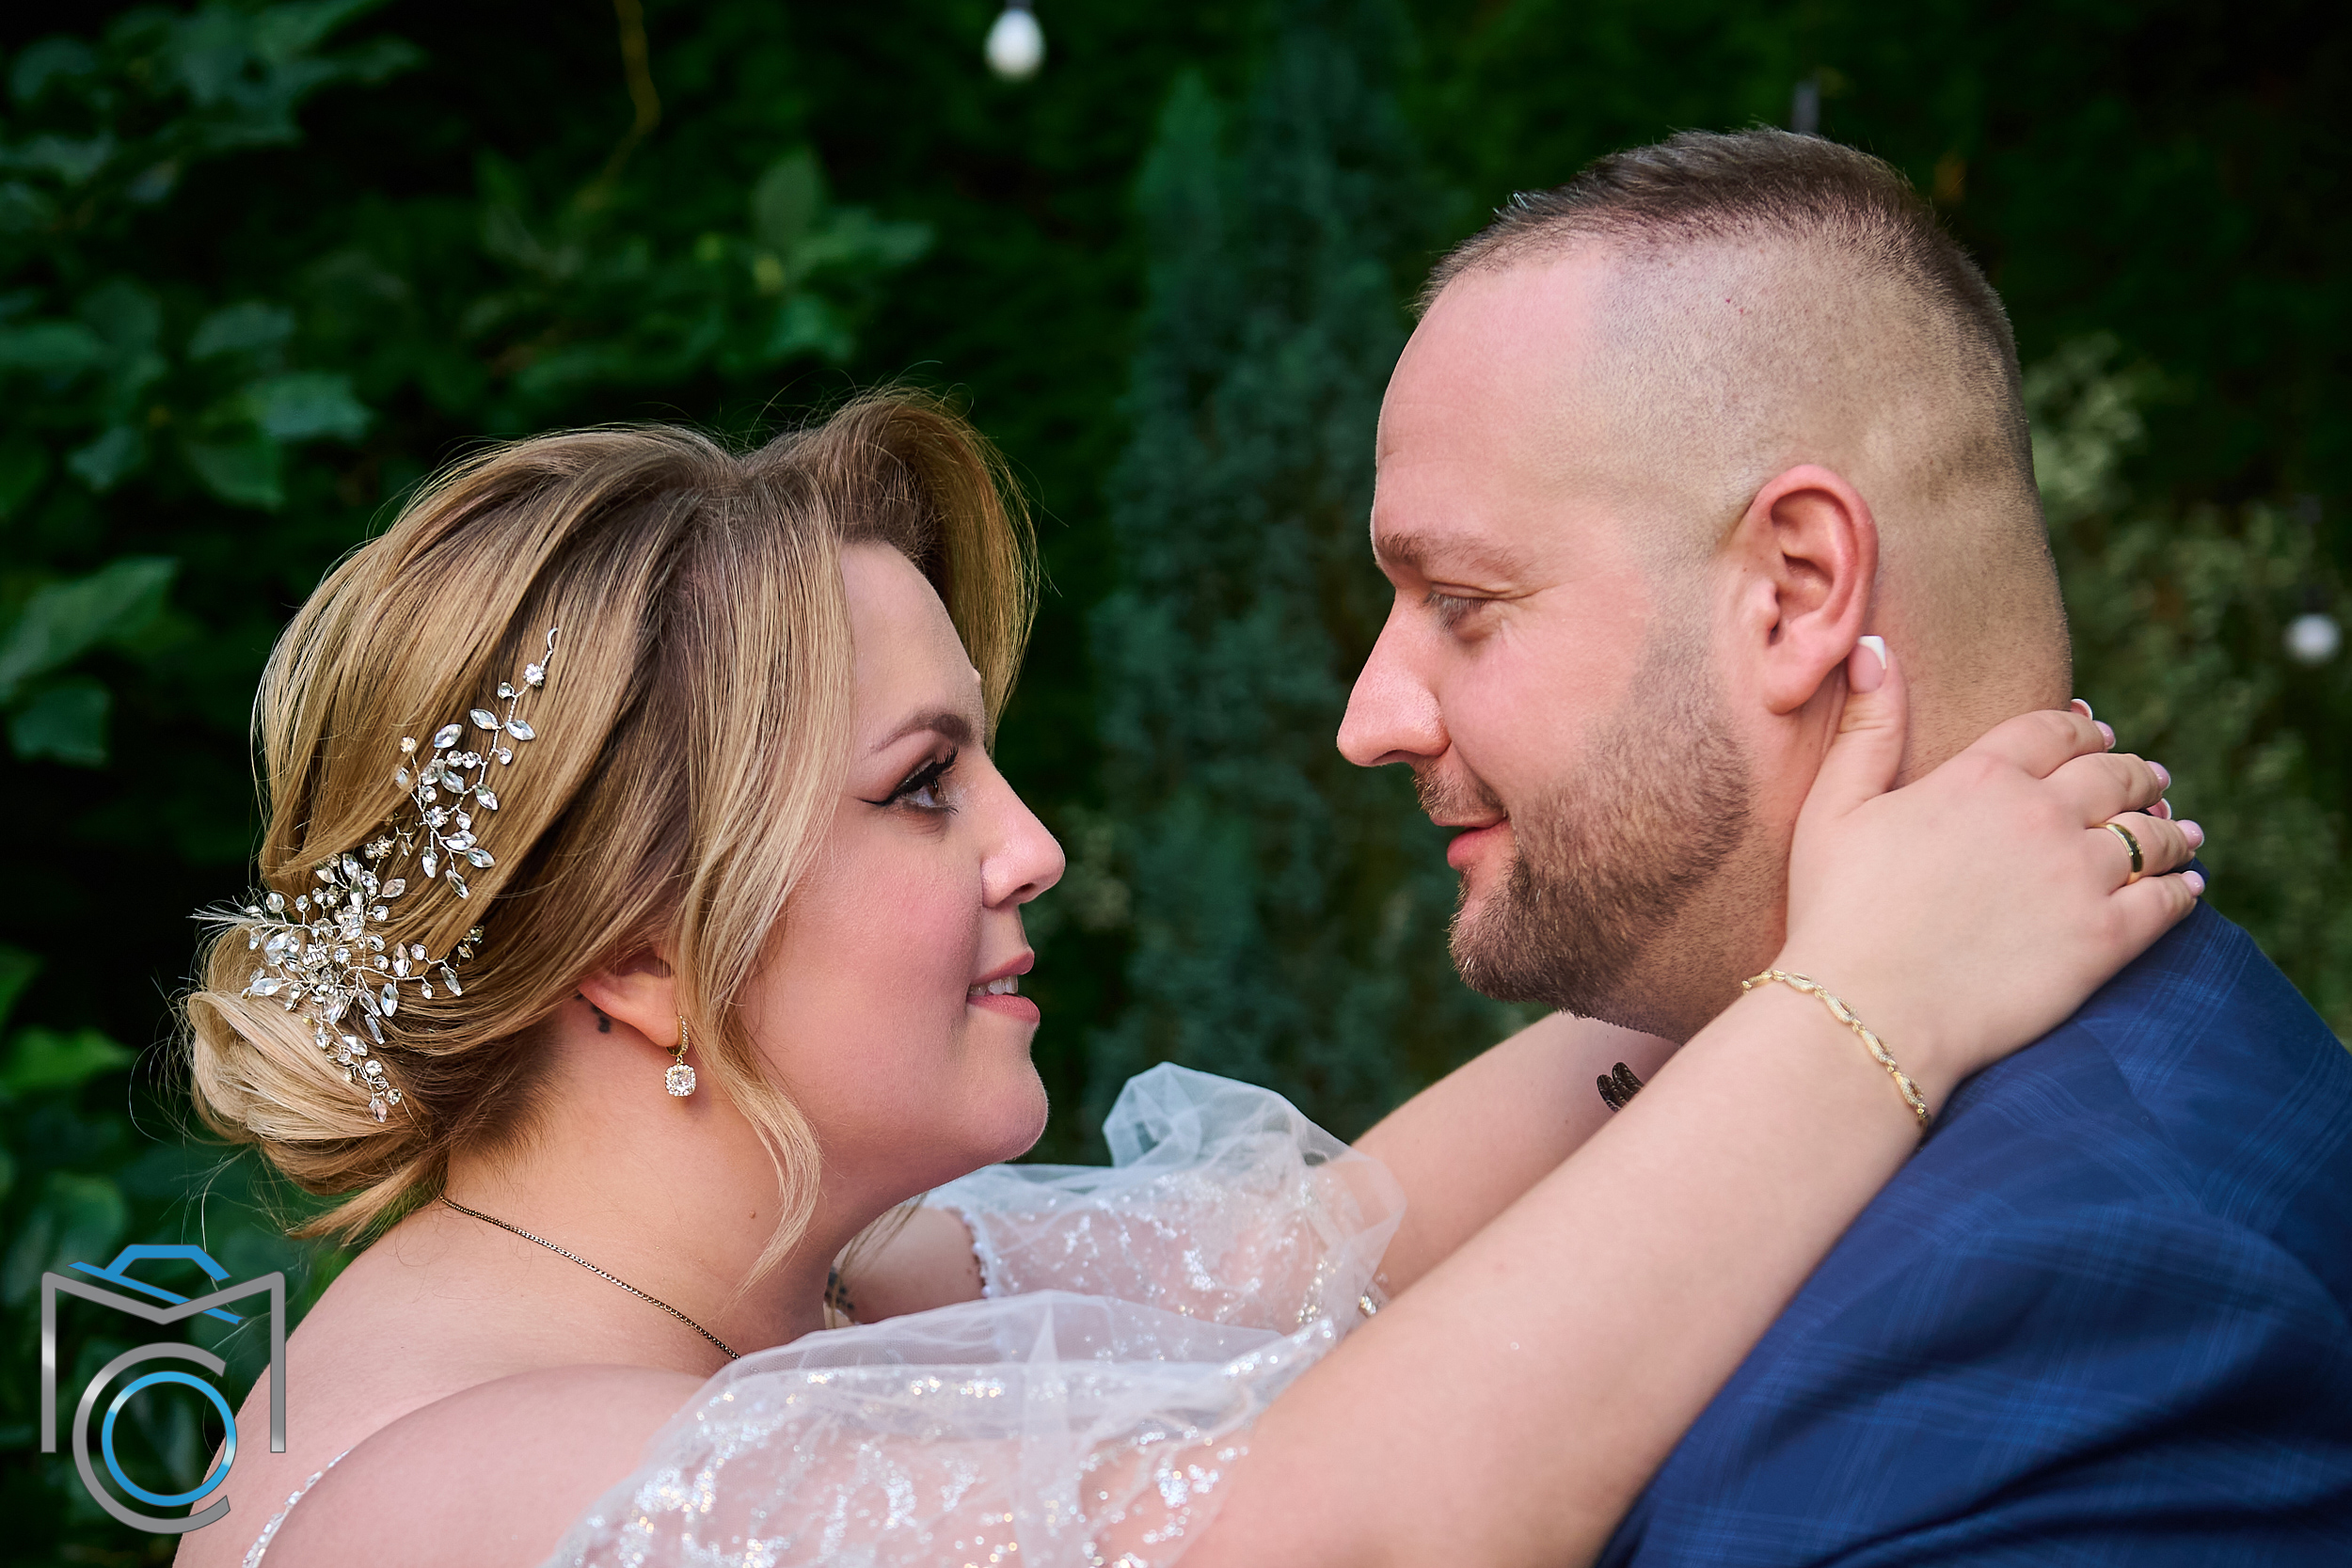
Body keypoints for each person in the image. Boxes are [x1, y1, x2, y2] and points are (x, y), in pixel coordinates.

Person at [174, 391, 2191, 1568]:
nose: (1031, 844)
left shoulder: (810, 1273)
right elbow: (1321, 1538)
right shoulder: (465, 1490)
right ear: (635, 953)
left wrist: (1757, 898)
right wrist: (1874, 1007)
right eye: (922, 786)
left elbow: (1329, 1246)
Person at [1340, 128, 2352, 1563]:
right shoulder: (1718, 1062)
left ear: (1796, 589)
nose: (1370, 721)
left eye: (1461, 600)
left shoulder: (2100, 1295)